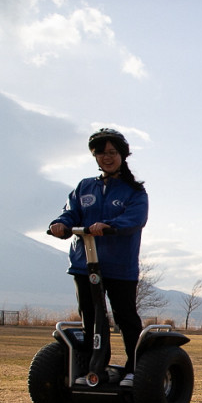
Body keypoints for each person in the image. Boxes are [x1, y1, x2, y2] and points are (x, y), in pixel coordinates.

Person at [49, 128, 148, 387]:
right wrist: (60, 223)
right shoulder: (85, 186)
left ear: (122, 156)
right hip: (85, 263)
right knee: (91, 317)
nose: (107, 157)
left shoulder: (134, 191)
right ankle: (96, 366)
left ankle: (135, 368)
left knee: (125, 316)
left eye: (112, 152)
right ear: (95, 156)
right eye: (101, 153)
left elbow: (135, 219)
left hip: (119, 265)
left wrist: (108, 225)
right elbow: (71, 212)